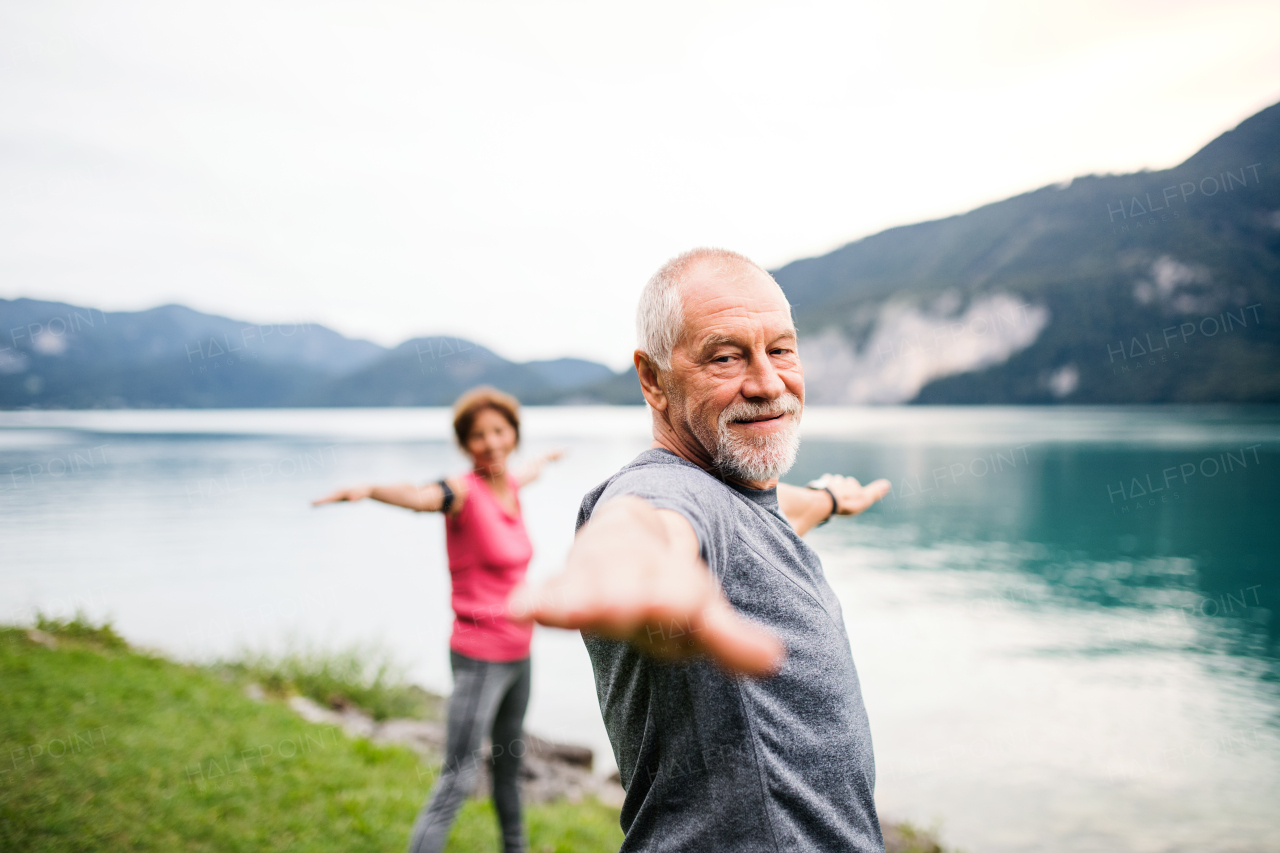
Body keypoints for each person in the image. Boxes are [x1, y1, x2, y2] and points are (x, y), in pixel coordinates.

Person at [510, 248, 892, 852]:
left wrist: (830, 498)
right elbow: (645, 522)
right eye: (725, 357)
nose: (768, 383)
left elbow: (773, 512)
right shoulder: (670, 489)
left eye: (782, 349)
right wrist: (626, 563)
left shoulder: (739, 496)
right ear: (653, 379)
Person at [313, 386, 560, 853]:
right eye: (477, 435)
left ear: (513, 434)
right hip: (479, 656)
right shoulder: (460, 491)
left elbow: (525, 473)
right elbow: (418, 496)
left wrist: (545, 462)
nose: (489, 442)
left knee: (509, 768)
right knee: (458, 777)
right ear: (465, 444)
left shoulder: (508, 484)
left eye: (498, 431)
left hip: (520, 652)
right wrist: (369, 491)